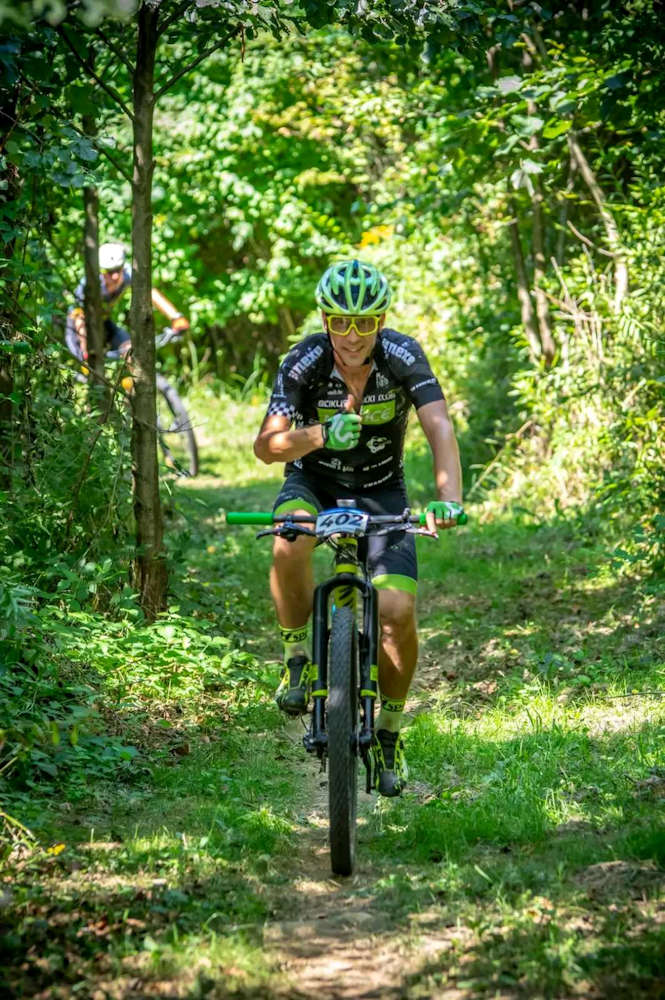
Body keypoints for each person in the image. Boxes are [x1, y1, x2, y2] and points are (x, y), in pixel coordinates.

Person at [253, 258, 464, 798]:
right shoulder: (304, 360)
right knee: (289, 537)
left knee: (396, 610)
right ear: (326, 320)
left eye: (365, 322)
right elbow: (267, 446)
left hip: (381, 490)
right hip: (313, 483)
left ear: (381, 320)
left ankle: (389, 732)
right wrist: (320, 435)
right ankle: (296, 659)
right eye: (341, 321)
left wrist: (448, 501)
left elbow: (439, 425)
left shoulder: (402, 354)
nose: (352, 335)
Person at [65, 242, 189, 362]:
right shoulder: (89, 285)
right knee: (86, 365)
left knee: (130, 351)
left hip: (103, 322)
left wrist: (175, 317)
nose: (115, 276)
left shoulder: (128, 273)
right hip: (79, 329)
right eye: (109, 271)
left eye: (118, 269)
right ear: (100, 270)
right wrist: (85, 350)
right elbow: (79, 318)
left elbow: (150, 292)